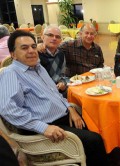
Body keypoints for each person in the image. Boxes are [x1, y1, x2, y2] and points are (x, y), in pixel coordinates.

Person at [0, 30, 109, 165]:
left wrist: (71, 109)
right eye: (24, 48)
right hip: (45, 127)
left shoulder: (38, 68)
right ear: (13, 54)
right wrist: (44, 127)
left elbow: (56, 94)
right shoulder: (11, 74)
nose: (31, 51)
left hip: (63, 116)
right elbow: (8, 109)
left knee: (99, 124)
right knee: (94, 140)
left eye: (33, 46)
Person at [38, 25, 68, 97]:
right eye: (50, 35)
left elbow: (62, 74)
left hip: (59, 91)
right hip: (43, 94)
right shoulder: (36, 55)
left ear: (61, 40)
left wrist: (62, 82)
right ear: (42, 37)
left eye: (57, 37)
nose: (54, 38)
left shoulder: (61, 54)